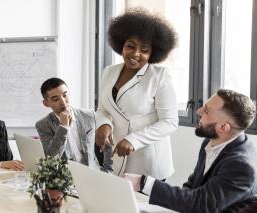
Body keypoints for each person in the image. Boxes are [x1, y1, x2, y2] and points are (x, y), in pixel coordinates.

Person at [124, 89, 257, 213]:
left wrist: (143, 182)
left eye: (206, 111)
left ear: (223, 127)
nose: (198, 111)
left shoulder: (242, 166)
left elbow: (201, 204)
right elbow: (192, 186)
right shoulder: (212, 142)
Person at [95, 8, 178, 178]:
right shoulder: (109, 72)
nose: (135, 54)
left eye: (144, 50)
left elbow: (169, 122)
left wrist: (134, 140)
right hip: (118, 157)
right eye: (130, 46)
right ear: (121, 45)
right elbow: (103, 108)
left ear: (153, 53)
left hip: (149, 160)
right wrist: (103, 125)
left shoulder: (159, 76)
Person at [35, 78, 112, 172]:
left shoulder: (89, 115)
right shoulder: (43, 125)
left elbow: (108, 145)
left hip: (93, 173)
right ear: (46, 103)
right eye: (55, 99)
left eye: (65, 95)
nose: (63, 102)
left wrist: (108, 170)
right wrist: (63, 127)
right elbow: (51, 159)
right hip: (66, 179)